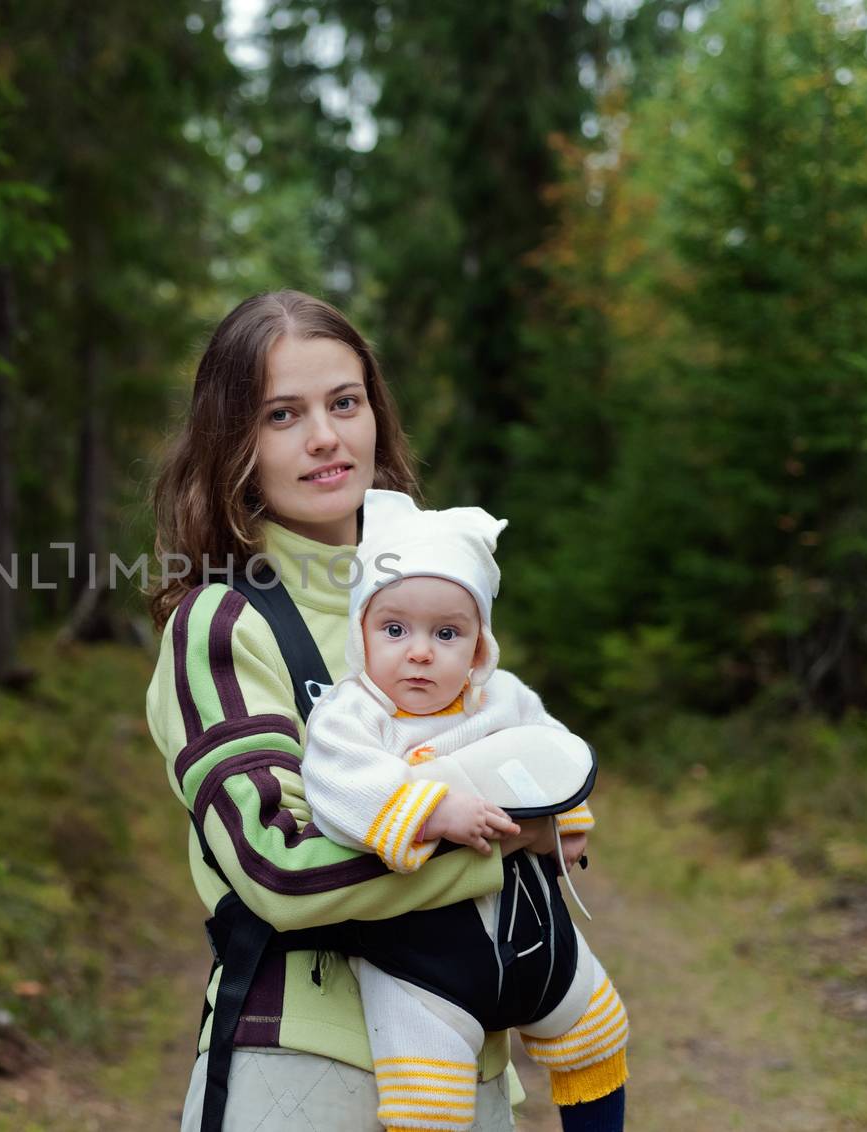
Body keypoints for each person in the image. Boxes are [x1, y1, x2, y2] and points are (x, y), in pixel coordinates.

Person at [145, 290, 567, 1131]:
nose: (326, 437)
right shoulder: (228, 621)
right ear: (235, 444)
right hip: (303, 1067)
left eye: (344, 402)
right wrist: (497, 844)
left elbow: (530, 775)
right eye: (281, 415)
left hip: (469, 1056)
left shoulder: (433, 605)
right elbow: (275, 862)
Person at [299, 490, 628, 1131]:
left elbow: (551, 751)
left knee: (596, 1029)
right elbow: (337, 784)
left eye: (446, 633)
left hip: (530, 929)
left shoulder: (499, 700)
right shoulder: (353, 716)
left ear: (478, 648)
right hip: (420, 960)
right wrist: (434, 810)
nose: (419, 652)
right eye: (394, 630)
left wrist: (565, 825)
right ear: (360, 634)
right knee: (427, 1098)